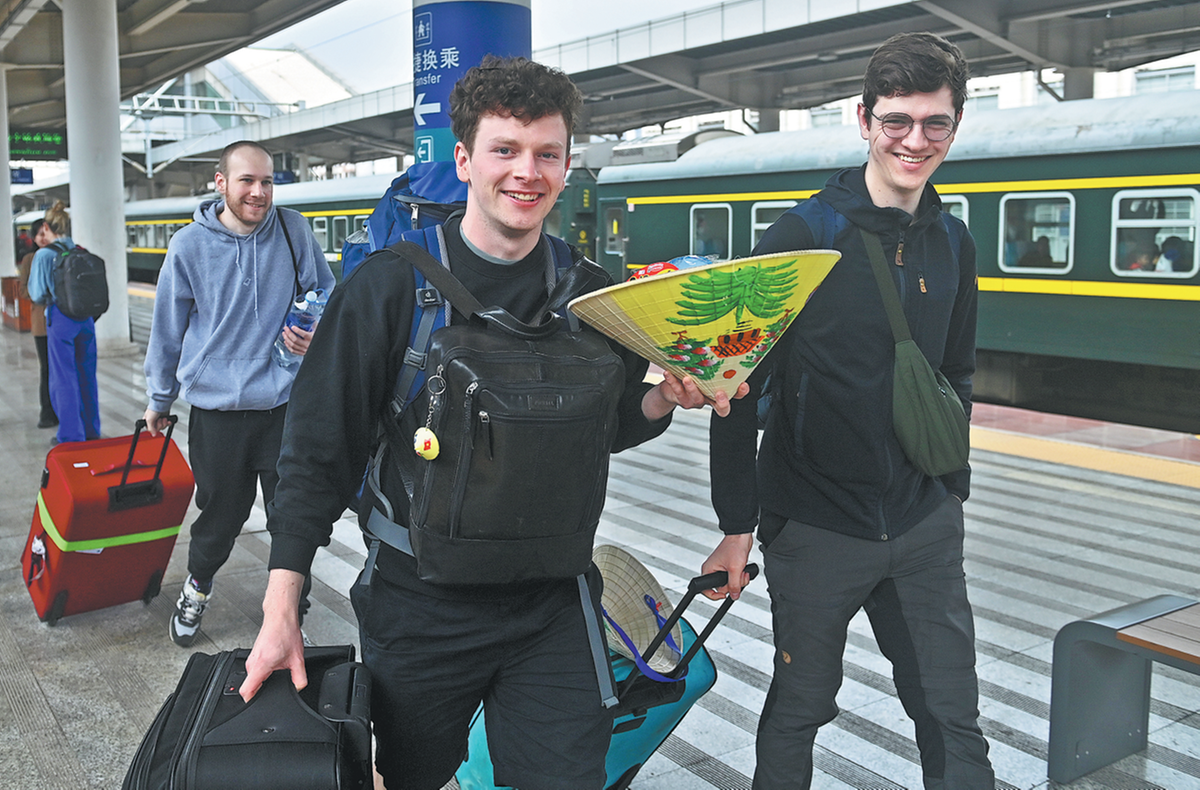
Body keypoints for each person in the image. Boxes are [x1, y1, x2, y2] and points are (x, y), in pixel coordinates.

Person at [239, 56, 742, 790]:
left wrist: (663, 399)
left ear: (565, 165)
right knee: (407, 776)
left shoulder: (591, 297)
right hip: (420, 601)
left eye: (547, 153)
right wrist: (282, 607)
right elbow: (317, 454)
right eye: (505, 149)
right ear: (465, 160)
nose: (526, 172)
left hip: (555, 599)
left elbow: (605, 427)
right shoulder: (390, 288)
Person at [701, 32, 995, 789]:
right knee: (800, 708)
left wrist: (950, 489)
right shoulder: (802, 237)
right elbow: (734, 386)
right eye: (897, 120)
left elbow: (957, 371)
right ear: (864, 121)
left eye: (935, 123)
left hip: (923, 523)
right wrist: (737, 524)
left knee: (951, 713)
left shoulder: (953, 243)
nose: (915, 140)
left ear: (955, 127)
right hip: (816, 523)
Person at [143, 140, 334, 647]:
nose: (259, 192)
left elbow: (326, 290)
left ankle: (290, 605)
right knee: (221, 514)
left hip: (285, 405)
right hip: (218, 410)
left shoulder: (293, 230)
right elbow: (167, 329)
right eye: (247, 180)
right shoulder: (188, 245)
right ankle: (198, 585)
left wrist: (315, 328)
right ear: (221, 183)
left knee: (292, 513)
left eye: (267, 181)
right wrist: (159, 399)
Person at [27, 202, 101, 445]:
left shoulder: (44, 255)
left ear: (46, 227)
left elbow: (37, 294)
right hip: (86, 320)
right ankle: (91, 430)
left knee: (63, 377)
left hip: (61, 318)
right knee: (87, 376)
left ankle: (71, 435)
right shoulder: (79, 249)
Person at [16, 218, 58, 429]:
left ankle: (63, 409)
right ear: (33, 237)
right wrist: (40, 293)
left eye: (46, 233)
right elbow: (23, 290)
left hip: (61, 320)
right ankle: (47, 412)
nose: (43, 238)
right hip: (41, 324)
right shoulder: (29, 259)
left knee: (62, 369)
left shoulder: (60, 255)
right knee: (47, 368)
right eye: (39, 234)